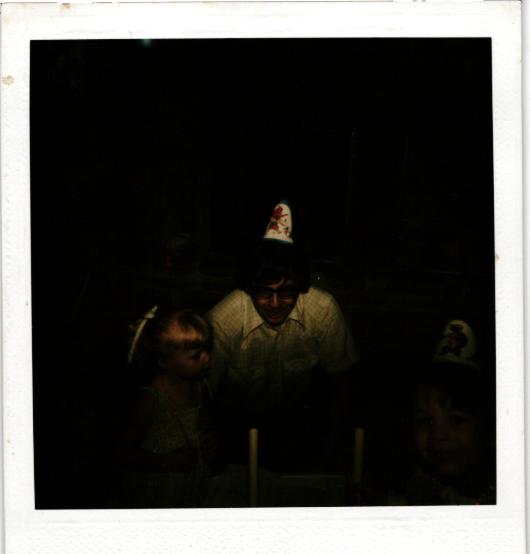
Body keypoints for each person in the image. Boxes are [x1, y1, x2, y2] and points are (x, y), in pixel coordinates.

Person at [206, 201, 359, 472]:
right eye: (265, 292)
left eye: (287, 291)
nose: (275, 304)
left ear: (301, 286)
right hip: (237, 426)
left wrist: (330, 450)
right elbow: (204, 398)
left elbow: (342, 385)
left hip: (301, 425)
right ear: (249, 287)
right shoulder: (223, 321)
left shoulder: (323, 310)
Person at [111, 306, 217, 508]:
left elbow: (203, 420)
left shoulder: (199, 385)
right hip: (159, 488)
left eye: (207, 350)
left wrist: (210, 436)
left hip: (189, 482)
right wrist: (166, 461)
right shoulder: (151, 399)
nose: (207, 359)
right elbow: (122, 452)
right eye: (196, 355)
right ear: (164, 362)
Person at [388, 320, 496, 505]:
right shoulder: (413, 496)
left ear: (488, 425)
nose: (438, 435)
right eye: (425, 420)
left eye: (456, 420)